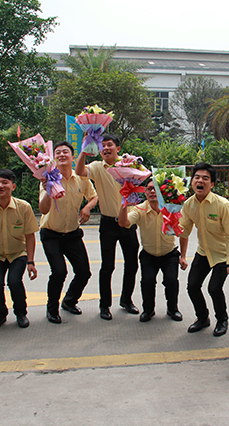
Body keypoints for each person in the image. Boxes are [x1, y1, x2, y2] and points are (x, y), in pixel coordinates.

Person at [75, 133, 140, 320]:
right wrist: (84, 151)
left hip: (128, 222)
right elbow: (79, 172)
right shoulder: (97, 166)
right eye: (102, 145)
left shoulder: (129, 164)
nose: (105, 148)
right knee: (107, 266)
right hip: (108, 223)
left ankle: (126, 300)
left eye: (109, 144)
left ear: (117, 148)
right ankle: (105, 305)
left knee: (132, 264)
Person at [39, 141, 98, 324]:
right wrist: (49, 189)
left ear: (73, 158)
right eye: (58, 152)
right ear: (54, 158)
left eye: (66, 152)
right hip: (51, 234)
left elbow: (94, 196)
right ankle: (52, 309)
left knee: (84, 272)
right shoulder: (48, 178)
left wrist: (87, 208)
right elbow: (43, 209)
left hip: (72, 233)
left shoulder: (81, 178)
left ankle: (69, 301)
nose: (62, 154)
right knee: (59, 272)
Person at [179, 163, 229, 337]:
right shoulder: (188, 204)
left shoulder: (222, 205)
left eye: (205, 178)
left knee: (214, 288)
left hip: (221, 255)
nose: (200, 181)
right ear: (191, 182)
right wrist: (170, 220)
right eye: (197, 177)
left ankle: (222, 320)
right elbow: (185, 231)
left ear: (212, 184)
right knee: (192, 286)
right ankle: (203, 318)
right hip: (203, 252)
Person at [118, 179, 186, 322]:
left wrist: (183, 256)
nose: (152, 191)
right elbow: (123, 223)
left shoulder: (172, 208)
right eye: (148, 189)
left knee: (171, 281)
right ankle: (148, 310)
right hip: (149, 254)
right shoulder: (139, 209)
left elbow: (183, 233)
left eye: (155, 188)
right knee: (147, 281)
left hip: (170, 253)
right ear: (145, 192)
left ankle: (173, 309)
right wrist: (124, 203)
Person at [0, 169, 39, 329]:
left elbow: (30, 236)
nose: (0, 186)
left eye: (5, 182)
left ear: (13, 186)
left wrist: (30, 261)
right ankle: (0, 314)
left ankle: (21, 313)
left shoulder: (23, 207)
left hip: (17, 254)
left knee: (14, 282)